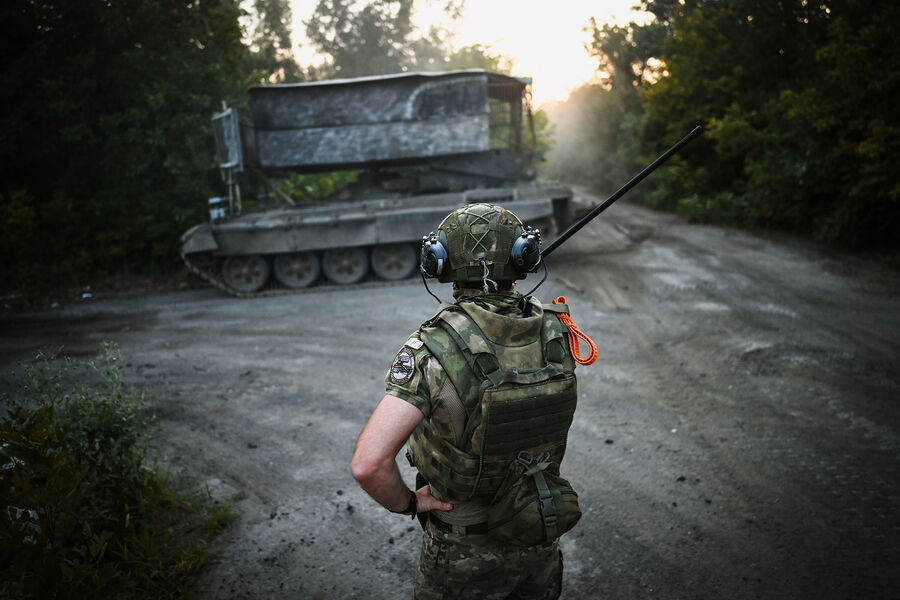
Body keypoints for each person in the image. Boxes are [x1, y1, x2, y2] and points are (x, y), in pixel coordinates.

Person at [351, 203, 589, 600]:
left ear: (438, 263)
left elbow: (368, 465)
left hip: (464, 547)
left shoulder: (432, 349)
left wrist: (408, 503)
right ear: (523, 257)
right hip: (540, 525)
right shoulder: (556, 331)